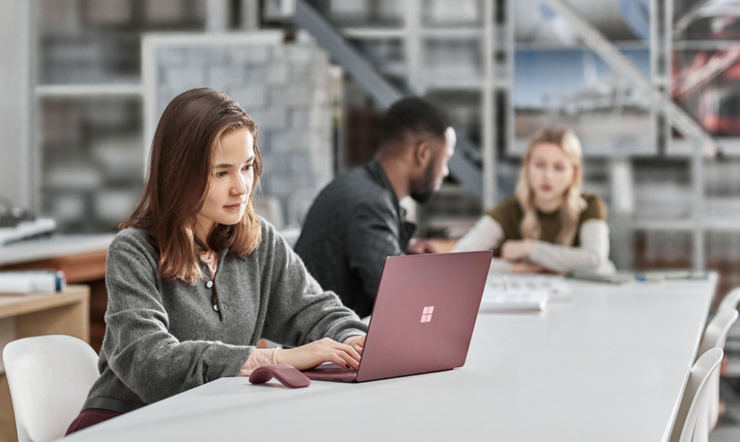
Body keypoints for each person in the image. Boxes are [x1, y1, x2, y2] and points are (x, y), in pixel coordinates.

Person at [66, 88, 367, 434]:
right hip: (128, 423)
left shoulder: (259, 240)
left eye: (247, 166)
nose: (241, 187)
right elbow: (149, 361)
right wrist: (274, 360)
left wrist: (356, 343)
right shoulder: (132, 250)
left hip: (212, 421)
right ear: (179, 173)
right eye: (220, 173)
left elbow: (314, 312)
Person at [294, 96, 456, 318]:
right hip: (328, 348)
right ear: (423, 153)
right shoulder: (369, 203)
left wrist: (401, 251)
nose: (445, 172)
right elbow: (402, 301)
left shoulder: (360, 186)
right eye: (445, 159)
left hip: (329, 340)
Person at [453, 126, 612, 274]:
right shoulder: (508, 210)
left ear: (574, 173)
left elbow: (595, 259)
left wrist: (530, 249)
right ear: (526, 165)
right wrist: (520, 268)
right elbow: (458, 259)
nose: (547, 176)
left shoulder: (590, 205)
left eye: (559, 168)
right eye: (540, 165)